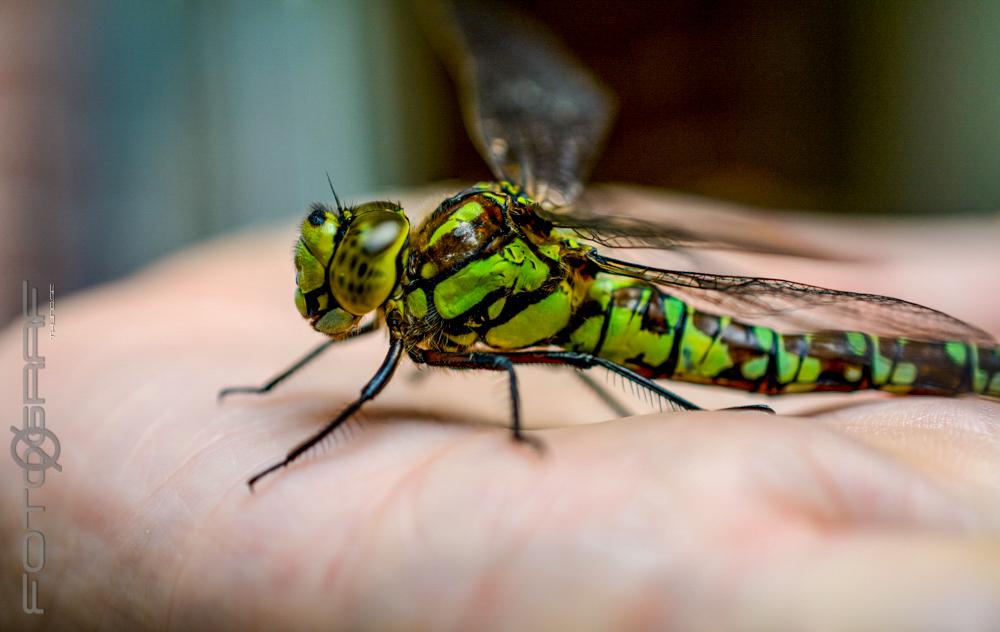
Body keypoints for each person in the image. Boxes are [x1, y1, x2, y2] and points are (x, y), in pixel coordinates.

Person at [3, 186, 999, 630]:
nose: (354, 272)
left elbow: (501, 363)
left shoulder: (451, 280)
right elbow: (385, 343)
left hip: (708, 330)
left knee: (597, 344)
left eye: (360, 258)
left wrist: (521, 434)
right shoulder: (412, 291)